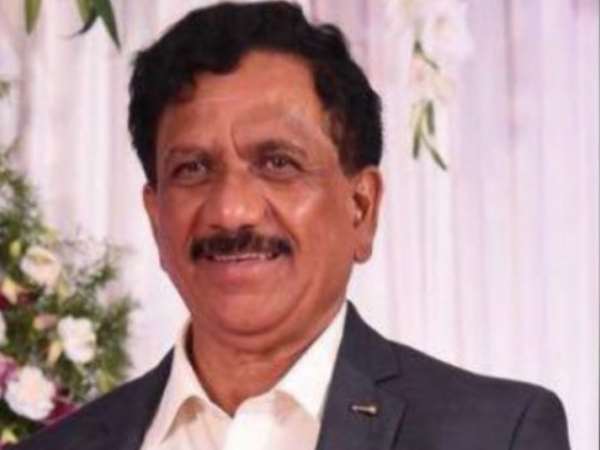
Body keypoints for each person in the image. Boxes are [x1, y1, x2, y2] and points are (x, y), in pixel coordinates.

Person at [15, 2, 570, 449]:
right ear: (156, 216)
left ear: (361, 208)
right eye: (193, 169)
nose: (231, 211)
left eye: (278, 163)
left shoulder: (496, 434)